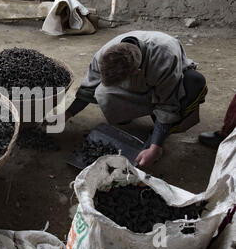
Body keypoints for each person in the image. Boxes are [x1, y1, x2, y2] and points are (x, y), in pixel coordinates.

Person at [60, 31, 208, 168]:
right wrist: (66, 115)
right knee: (102, 92)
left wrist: (155, 146)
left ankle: (157, 136)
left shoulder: (164, 57)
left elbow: (167, 106)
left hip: (167, 83)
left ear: (136, 73)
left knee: (194, 82)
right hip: (140, 83)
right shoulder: (104, 55)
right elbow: (88, 89)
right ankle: (127, 115)